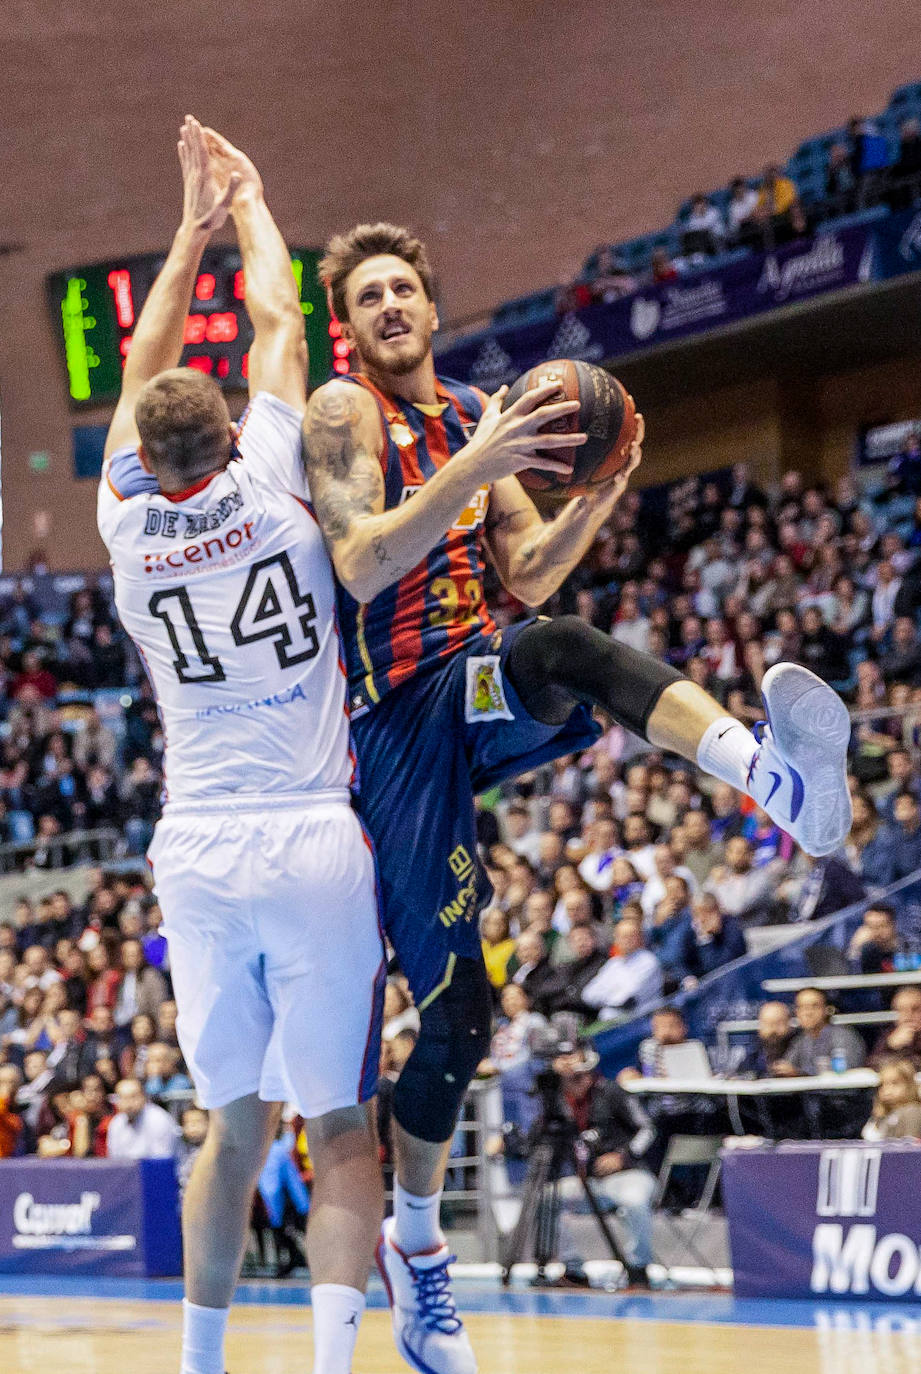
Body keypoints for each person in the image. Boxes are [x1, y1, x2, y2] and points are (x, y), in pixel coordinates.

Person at [298, 218, 852, 1374]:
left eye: (404, 288)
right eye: (369, 297)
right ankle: (417, 1252)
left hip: (468, 687)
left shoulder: (474, 413)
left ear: (432, 307)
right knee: (458, 1016)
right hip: (388, 728)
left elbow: (529, 569)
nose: (391, 306)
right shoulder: (346, 413)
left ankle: (776, 781)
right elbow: (359, 562)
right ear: (348, 326)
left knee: (563, 645)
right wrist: (478, 464)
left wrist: (599, 494)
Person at [96, 121, 384, 1374]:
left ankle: (200, 1366)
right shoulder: (272, 473)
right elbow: (280, 320)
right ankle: (330, 1365)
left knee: (231, 1124)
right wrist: (251, 204)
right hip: (311, 831)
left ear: (143, 455)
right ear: (227, 435)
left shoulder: (121, 522)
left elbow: (143, 359)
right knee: (343, 1126)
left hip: (198, 848)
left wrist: (184, 233)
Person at [551, 1043, 657, 1287]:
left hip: (628, 1175)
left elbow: (648, 1129)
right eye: (569, 1079)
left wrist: (623, 1156)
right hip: (588, 1182)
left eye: (579, 1076)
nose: (575, 1083)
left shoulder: (612, 1092)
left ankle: (638, 1269)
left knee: (634, 1200)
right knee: (547, 1199)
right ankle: (574, 1270)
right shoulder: (558, 1101)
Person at [773, 988, 865, 1076]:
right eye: (802, 1007)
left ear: (827, 1010)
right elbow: (787, 1066)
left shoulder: (843, 1037)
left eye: (814, 1006)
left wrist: (800, 1073)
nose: (808, 1013)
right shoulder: (800, 1041)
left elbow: (845, 1073)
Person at [862, 1058, 921, 1140]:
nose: (887, 1090)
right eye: (882, 1085)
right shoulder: (882, 1113)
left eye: (894, 1083)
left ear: (909, 1085)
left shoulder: (913, 1111)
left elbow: (911, 1144)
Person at [868, 986, 921, 1069]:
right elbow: (873, 1065)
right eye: (901, 1010)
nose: (908, 1016)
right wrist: (891, 1046)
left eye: (915, 1009)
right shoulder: (890, 1035)